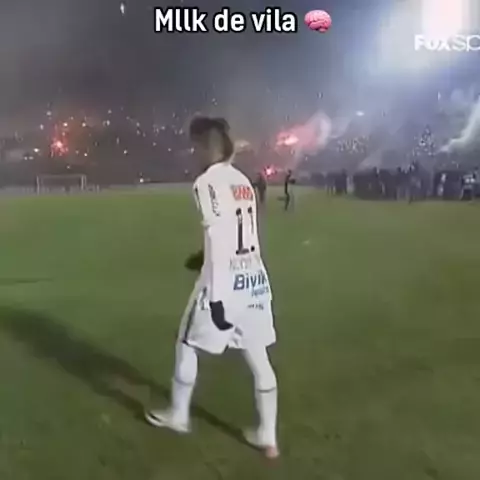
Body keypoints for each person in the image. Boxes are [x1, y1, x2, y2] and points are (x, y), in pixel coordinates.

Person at [145, 116, 279, 459]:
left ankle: (178, 415)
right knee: (257, 354)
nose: (193, 154)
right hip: (254, 278)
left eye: (195, 148)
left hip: (223, 280)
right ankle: (267, 435)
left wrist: (217, 298)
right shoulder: (243, 181)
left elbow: (219, 235)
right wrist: (201, 255)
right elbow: (241, 232)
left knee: (187, 342)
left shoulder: (206, 183)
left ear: (206, 147)